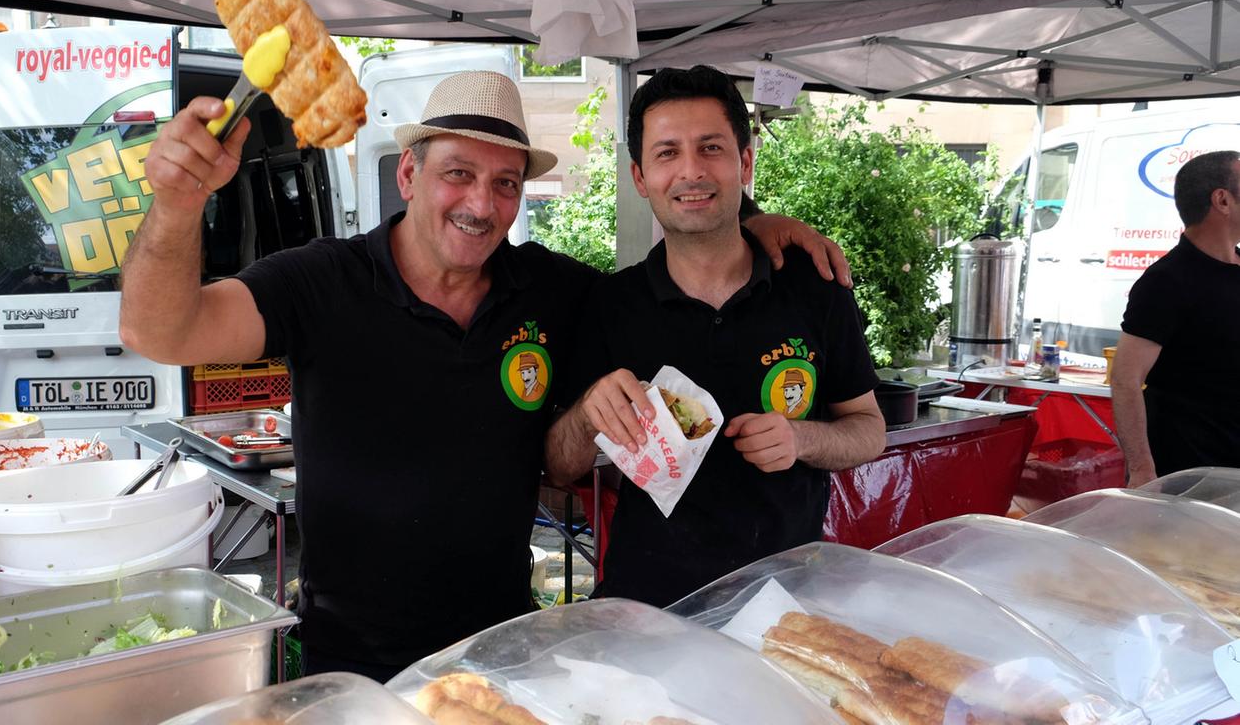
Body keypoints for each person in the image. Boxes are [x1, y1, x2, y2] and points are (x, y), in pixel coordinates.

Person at [120, 70, 850, 681]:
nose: (480, 204)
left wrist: (758, 227)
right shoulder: (320, 282)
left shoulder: (552, 290)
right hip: (352, 657)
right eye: (457, 175)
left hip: (503, 649)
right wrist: (178, 205)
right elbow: (160, 331)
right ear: (409, 173)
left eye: (504, 184)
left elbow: (690, 246)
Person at [545, 65, 886, 608]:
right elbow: (561, 468)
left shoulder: (813, 287)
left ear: (744, 162)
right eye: (666, 153)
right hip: (648, 608)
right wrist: (589, 412)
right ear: (639, 177)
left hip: (785, 604)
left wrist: (802, 439)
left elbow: (869, 431)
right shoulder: (610, 305)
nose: (690, 172)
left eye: (710, 148)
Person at [1114, 149, 1240, 486]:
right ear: (1222, 200)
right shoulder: (1167, 281)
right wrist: (1141, 468)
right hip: (1187, 473)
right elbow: (1125, 380)